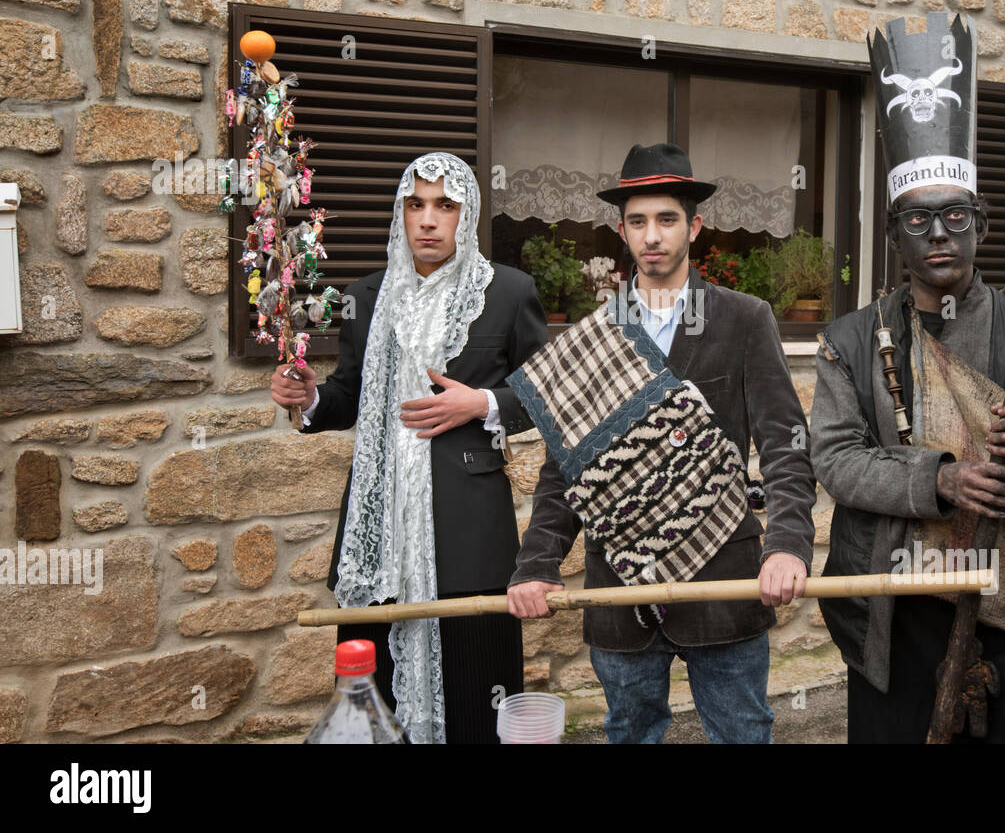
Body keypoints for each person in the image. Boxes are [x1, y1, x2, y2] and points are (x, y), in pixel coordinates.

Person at [811, 12, 1005, 743]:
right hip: (891, 607)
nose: (937, 234)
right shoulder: (851, 340)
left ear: (982, 224)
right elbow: (835, 458)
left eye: (954, 218)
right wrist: (939, 479)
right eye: (917, 221)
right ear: (894, 233)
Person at [505, 142, 817, 743]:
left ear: (694, 226)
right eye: (639, 222)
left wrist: (788, 546)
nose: (653, 236)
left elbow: (785, 444)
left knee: (743, 733)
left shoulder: (745, 318)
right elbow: (565, 468)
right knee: (630, 733)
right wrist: (538, 563)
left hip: (724, 577)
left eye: (667, 219)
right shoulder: (597, 335)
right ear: (621, 231)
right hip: (620, 586)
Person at [271, 152, 548, 744]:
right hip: (381, 530)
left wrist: (482, 404)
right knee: (379, 692)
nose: (428, 220)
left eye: (444, 206)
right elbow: (349, 393)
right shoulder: (366, 296)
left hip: (468, 530)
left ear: (466, 215)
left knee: (477, 686)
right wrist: (311, 398)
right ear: (400, 214)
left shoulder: (507, 292)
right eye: (415, 205)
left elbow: (547, 396)